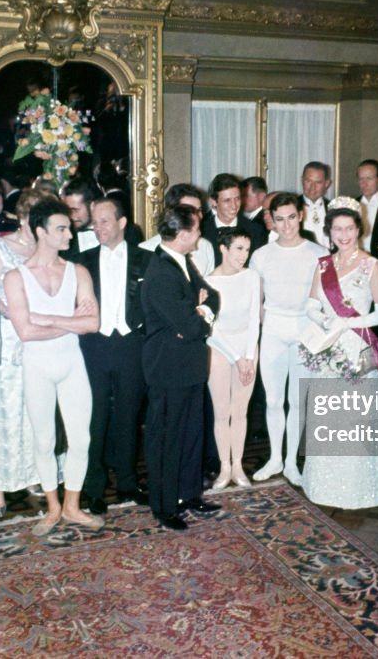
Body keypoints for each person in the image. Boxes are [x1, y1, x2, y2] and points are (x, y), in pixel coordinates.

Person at [3, 199, 101, 536]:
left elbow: (93, 323)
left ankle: (72, 506)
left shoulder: (78, 271)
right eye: (61, 229)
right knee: (44, 440)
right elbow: (26, 331)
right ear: (40, 231)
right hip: (37, 366)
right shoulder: (15, 277)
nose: (70, 235)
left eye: (69, 228)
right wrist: (71, 320)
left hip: (72, 363)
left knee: (81, 439)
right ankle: (53, 507)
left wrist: (49, 318)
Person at [303, 197, 378, 508]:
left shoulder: (371, 265)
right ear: (329, 231)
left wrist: (350, 322)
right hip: (329, 346)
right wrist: (327, 321)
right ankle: (324, 488)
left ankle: (358, 490)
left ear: (359, 229)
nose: (343, 235)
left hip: (357, 347)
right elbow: (312, 305)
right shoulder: (324, 265)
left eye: (349, 229)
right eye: (337, 229)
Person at [141, 204, 222, 531]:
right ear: (183, 234)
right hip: (168, 368)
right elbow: (190, 326)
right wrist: (199, 312)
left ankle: (189, 494)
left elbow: (213, 296)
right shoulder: (161, 272)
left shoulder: (183, 262)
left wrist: (201, 309)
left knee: (191, 434)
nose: (200, 235)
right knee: (167, 437)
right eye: (197, 230)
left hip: (188, 365)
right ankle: (163, 505)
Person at [0, 189, 51, 516]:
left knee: (35, 410)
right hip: (7, 339)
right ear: (21, 217)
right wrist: (11, 312)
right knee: (4, 412)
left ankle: (32, 475)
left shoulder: (47, 249)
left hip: (40, 337)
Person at [248, 193, 328, 483]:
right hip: (272, 332)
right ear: (271, 220)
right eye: (279, 219)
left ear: (301, 215)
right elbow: (255, 302)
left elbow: (325, 300)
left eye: (291, 217)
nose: (286, 225)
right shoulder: (261, 255)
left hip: (305, 332)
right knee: (272, 401)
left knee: (297, 402)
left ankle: (292, 462)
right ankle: (274, 459)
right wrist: (256, 336)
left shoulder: (318, 253)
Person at [78, 197, 151, 514]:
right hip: (94, 345)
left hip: (130, 345)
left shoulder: (146, 259)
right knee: (94, 418)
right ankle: (93, 489)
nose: (98, 227)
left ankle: (127, 483)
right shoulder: (81, 261)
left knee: (128, 417)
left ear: (122, 223)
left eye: (105, 221)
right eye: (94, 222)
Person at [205, 228, 261, 489]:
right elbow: (212, 328)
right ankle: (223, 467)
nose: (244, 255)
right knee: (221, 411)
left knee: (240, 411)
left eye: (247, 250)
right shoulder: (209, 281)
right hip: (219, 348)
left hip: (247, 348)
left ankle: (237, 465)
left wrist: (248, 356)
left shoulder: (252, 276)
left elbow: (254, 318)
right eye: (238, 249)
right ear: (223, 249)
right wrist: (237, 357)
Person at [139, 183, 216, 275]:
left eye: (199, 210)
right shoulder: (145, 249)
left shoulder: (205, 247)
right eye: (189, 211)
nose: (198, 216)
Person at [200, 173, 265, 266]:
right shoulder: (201, 231)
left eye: (237, 199)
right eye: (227, 200)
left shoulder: (256, 231)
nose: (234, 206)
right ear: (213, 202)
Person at [300, 161, 332, 249]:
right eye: (308, 181)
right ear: (302, 180)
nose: (312, 187)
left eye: (318, 182)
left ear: (326, 184)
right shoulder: (291, 206)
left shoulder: (334, 208)